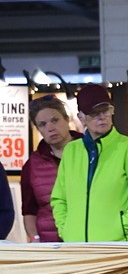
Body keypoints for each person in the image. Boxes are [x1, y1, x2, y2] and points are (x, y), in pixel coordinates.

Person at [50, 83, 128, 242]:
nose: (102, 117)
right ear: (81, 117)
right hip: (77, 246)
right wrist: (66, 230)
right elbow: (59, 198)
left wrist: (121, 227)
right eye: (94, 113)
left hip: (119, 245)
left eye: (106, 110)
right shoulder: (71, 151)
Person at [21, 95, 82, 242]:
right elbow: (29, 211)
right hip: (50, 243)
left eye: (55, 120)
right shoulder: (32, 165)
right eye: (42, 124)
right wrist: (35, 239)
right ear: (38, 129)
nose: (50, 128)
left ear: (67, 119)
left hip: (87, 239)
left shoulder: (91, 151)